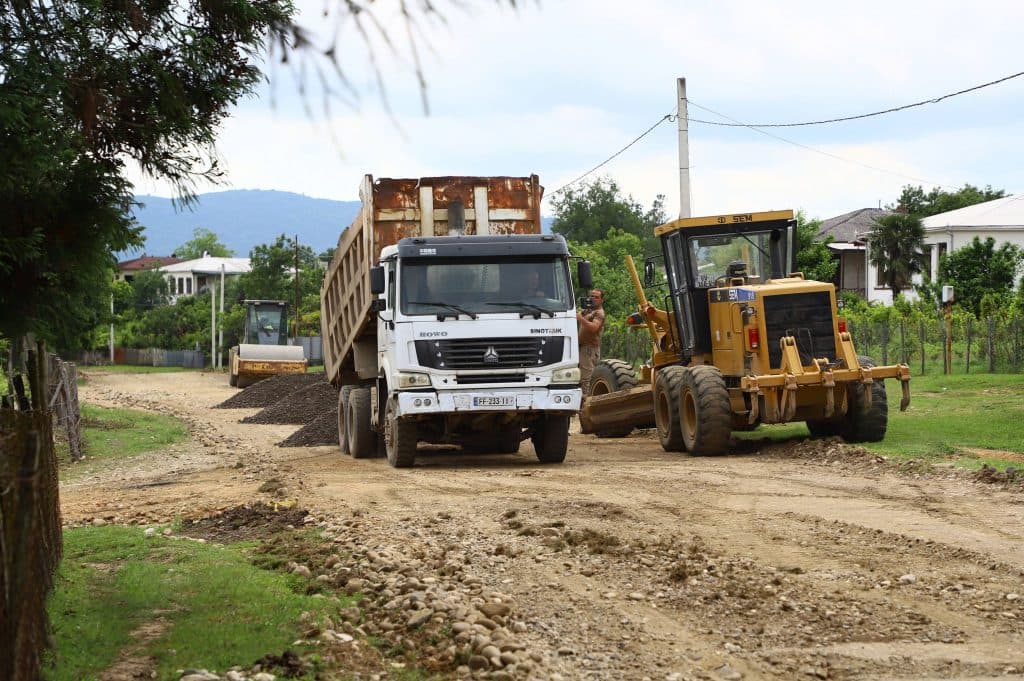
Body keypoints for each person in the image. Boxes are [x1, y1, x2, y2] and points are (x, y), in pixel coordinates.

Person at [576, 288, 605, 397]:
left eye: (596, 297)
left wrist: (581, 319)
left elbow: (594, 328)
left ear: (602, 300)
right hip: (582, 348)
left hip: (589, 350)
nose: (593, 299)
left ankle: (586, 405)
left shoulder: (599, 313)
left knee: (586, 379)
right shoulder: (588, 310)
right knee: (579, 378)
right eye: (592, 296)